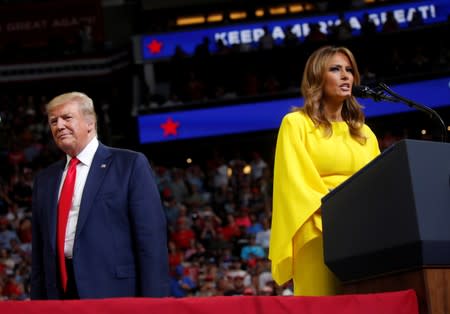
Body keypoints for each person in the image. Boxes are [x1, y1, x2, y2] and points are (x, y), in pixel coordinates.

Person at [31, 92, 169, 299]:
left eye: (67, 118)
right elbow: (39, 251)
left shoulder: (129, 165)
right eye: (53, 121)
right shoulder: (45, 179)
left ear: (90, 123)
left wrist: (155, 303)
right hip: (59, 295)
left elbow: (151, 240)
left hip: (115, 292)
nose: (59, 126)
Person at [269, 46, 380, 296]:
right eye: (335, 69)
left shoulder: (365, 133)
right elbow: (295, 182)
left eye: (349, 70)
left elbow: (378, 184)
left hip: (360, 232)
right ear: (318, 77)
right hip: (318, 230)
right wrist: (340, 206)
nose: (345, 76)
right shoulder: (296, 124)